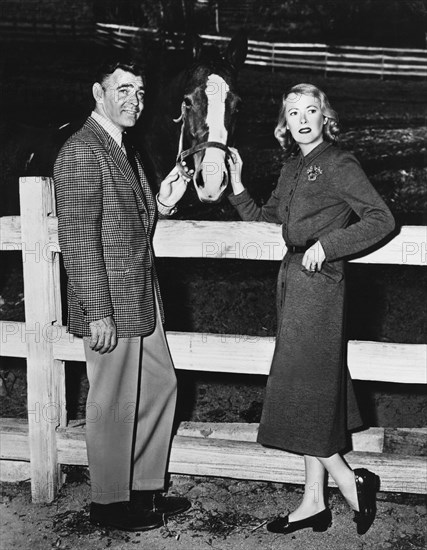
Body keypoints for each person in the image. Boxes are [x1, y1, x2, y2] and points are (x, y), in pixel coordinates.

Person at [227, 83, 395, 536]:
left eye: (311, 110)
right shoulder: (293, 166)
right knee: (312, 393)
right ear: (286, 122)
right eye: (293, 112)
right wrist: (238, 187)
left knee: (298, 391)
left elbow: (381, 217)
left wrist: (330, 244)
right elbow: (271, 220)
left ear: (325, 117)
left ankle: (350, 481)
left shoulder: (339, 163)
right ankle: (313, 502)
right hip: (292, 281)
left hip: (320, 285)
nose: (302, 119)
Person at [54, 60, 192, 532]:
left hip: (140, 296)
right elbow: (78, 238)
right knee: (112, 400)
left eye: (140, 90)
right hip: (109, 302)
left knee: (160, 385)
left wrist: (164, 202)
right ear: (98, 92)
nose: (134, 99)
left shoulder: (121, 146)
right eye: (123, 89)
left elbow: (128, 221)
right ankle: (110, 504)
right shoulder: (81, 151)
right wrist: (97, 311)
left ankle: (144, 490)